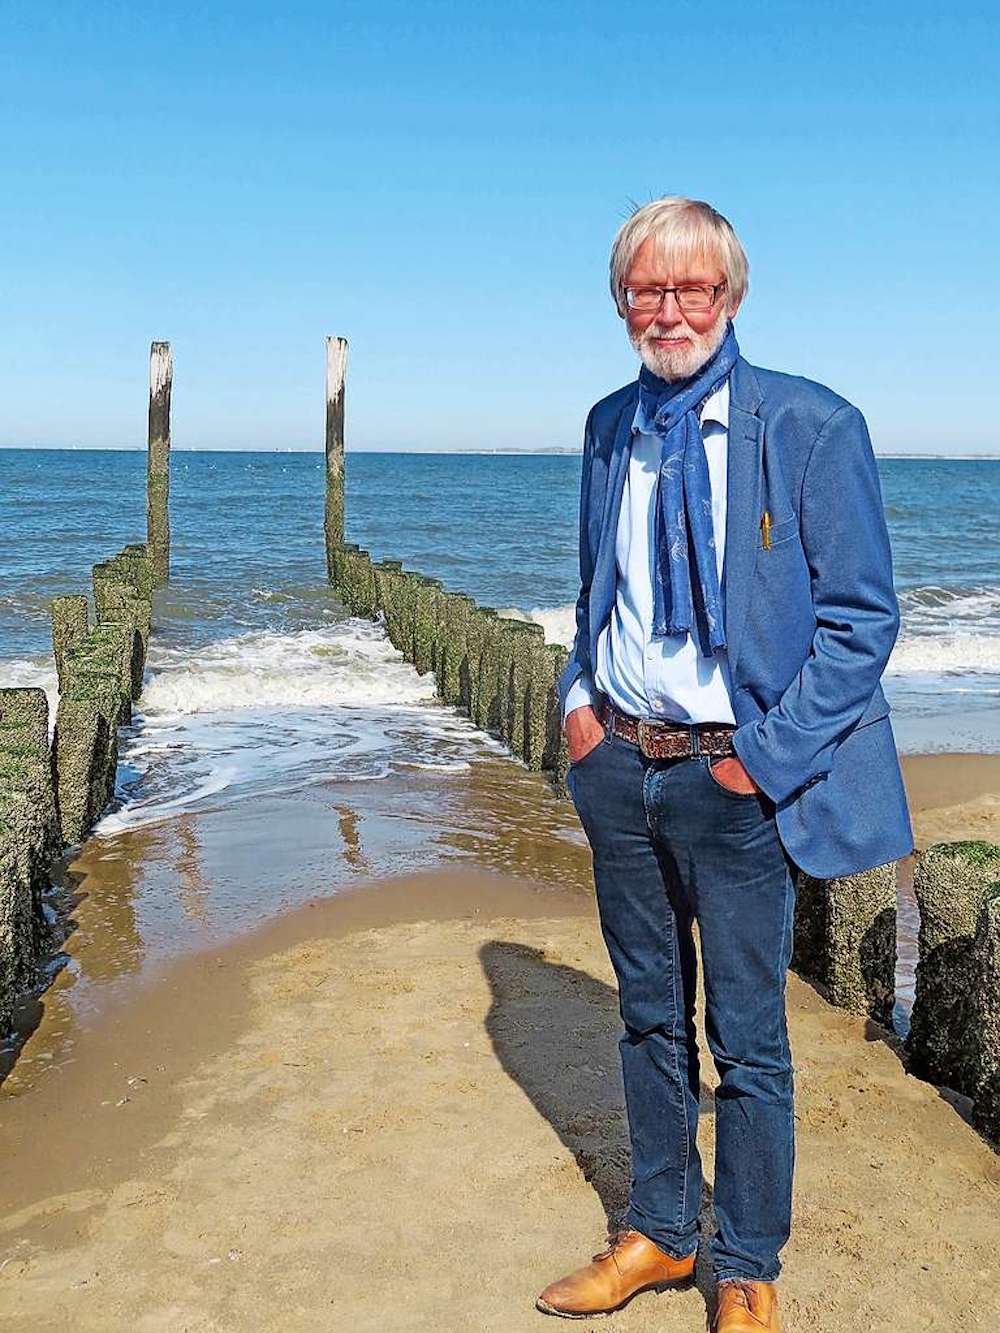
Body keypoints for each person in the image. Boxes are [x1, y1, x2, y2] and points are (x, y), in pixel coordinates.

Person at [536, 197, 912, 1332]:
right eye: (645, 290)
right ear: (620, 303)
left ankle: (744, 1263)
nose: (668, 310)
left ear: (731, 296)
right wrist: (575, 702)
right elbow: (597, 588)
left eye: (690, 288)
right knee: (647, 1017)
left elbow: (861, 619)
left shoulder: (810, 425)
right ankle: (658, 1230)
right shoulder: (610, 426)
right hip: (620, 767)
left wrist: (765, 757)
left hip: (733, 781)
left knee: (746, 1039)